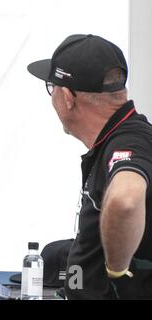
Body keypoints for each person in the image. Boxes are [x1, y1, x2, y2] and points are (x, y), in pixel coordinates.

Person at [27, 34, 152, 299]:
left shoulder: (131, 140)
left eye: (52, 87)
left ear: (68, 96)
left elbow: (125, 200)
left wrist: (117, 271)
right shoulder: (115, 138)